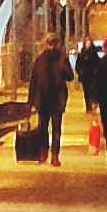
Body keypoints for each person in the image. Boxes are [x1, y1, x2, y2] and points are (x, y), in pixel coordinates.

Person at [25, 30, 74, 165]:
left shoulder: (62, 59)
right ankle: (43, 152)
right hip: (43, 99)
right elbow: (34, 81)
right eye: (49, 43)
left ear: (58, 44)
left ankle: (55, 155)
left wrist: (64, 68)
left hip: (57, 100)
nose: (52, 46)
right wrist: (30, 102)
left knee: (56, 128)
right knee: (42, 128)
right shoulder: (40, 60)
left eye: (54, 43)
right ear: (46, 44)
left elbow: (70, 76)